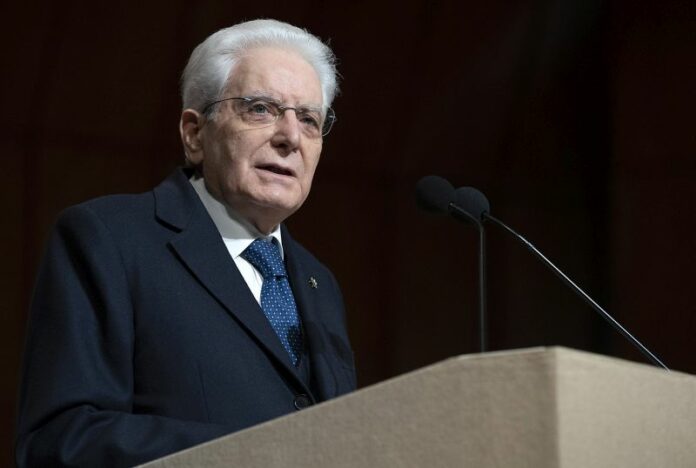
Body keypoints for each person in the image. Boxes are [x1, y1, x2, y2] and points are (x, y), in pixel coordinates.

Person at [16, 19, 356, 467]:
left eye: (309, 119)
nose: (290, 137)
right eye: (261, 109)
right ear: (195, 133)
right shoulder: (110, 240)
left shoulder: (319, 283)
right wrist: (256, 453)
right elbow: (62, 438)